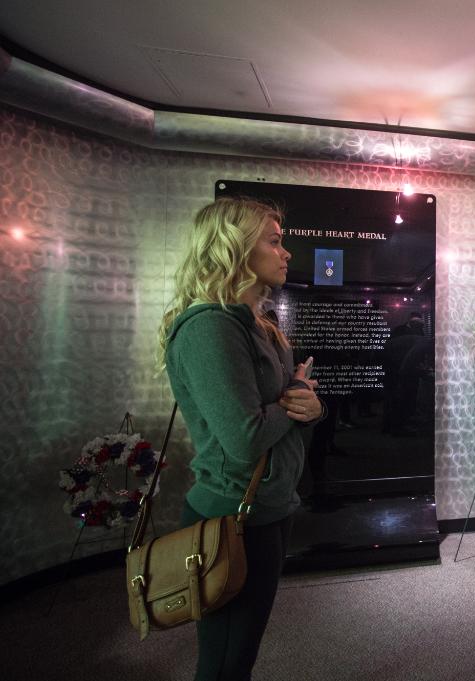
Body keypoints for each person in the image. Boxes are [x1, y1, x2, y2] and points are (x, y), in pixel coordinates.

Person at [156, 197, 324, 680]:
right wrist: (296, 396)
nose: (286, 252)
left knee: (241, 651)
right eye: (273, 241)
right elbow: (245, 438)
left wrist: (311, 406)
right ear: (233, 249)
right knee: (226, 660)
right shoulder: (209, 327)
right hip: (232, 514)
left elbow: (291, 408)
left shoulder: (262, 328)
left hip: (269, 506)